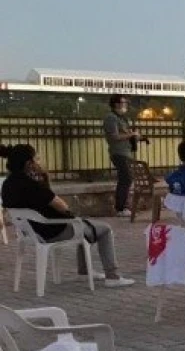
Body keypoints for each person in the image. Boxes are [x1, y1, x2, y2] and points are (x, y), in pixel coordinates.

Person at [0, 144, 134, 287]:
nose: (39, 162)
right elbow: (61, 205)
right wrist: (46, 179)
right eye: (36, 159)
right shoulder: (31, 185)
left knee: (84, 224)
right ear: (29, 163)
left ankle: (84, 271)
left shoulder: (8, 184)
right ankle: (112, 276)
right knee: (105, 229)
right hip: (53, 230)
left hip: (32, 232)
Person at [103, 94, 142, 217]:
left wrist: (135, 136)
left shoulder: (123, 119)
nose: (125, 105)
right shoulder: (111, 118)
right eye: (123, 103)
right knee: (126, 178)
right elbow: (114, 137)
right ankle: (120, 208)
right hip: (119, 152)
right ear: (116, 104)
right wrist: (130, 135)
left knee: (127, 179)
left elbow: (126, 134)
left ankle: (124, 206)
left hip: (126, 152)